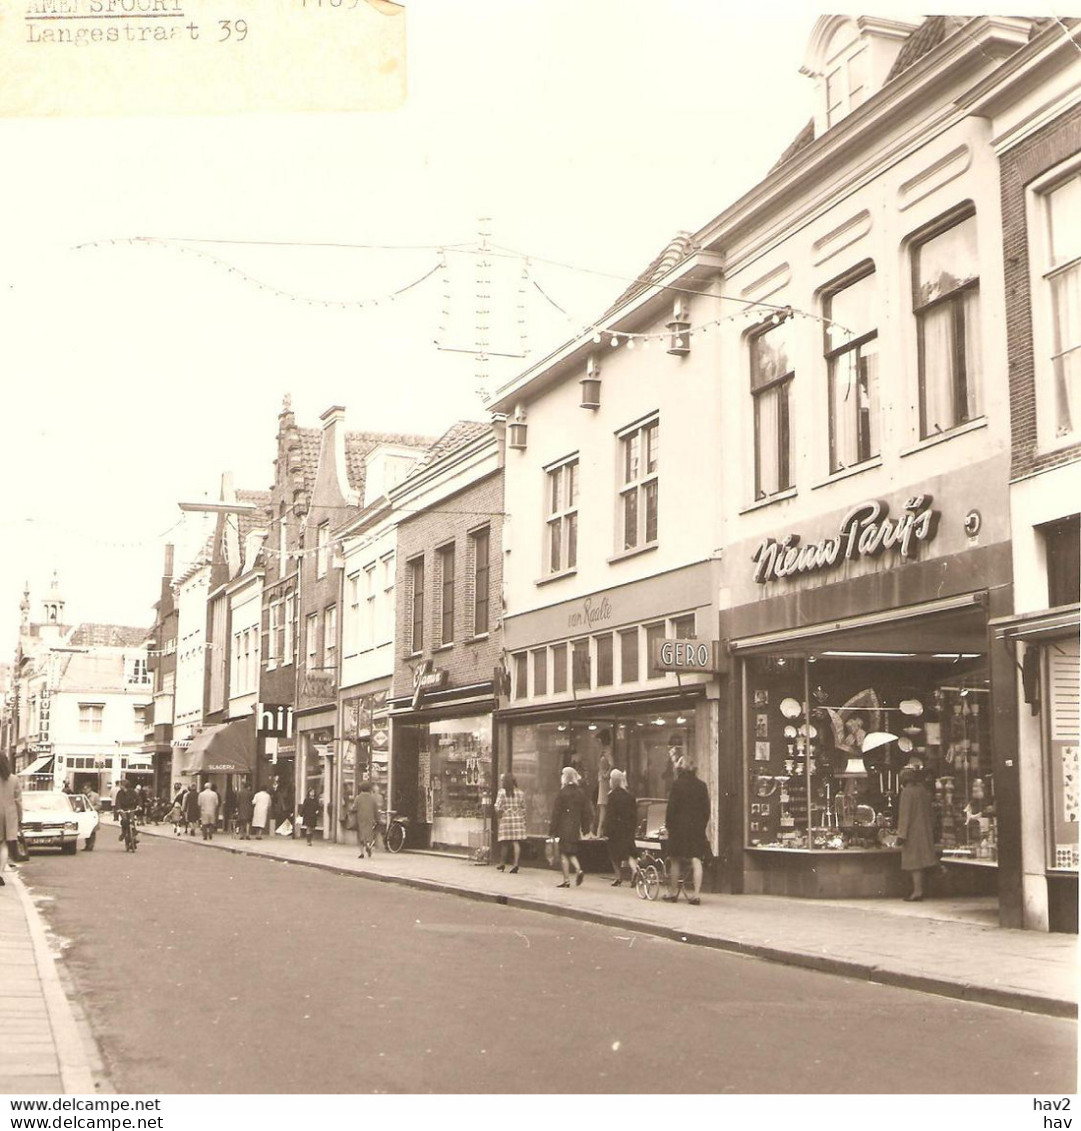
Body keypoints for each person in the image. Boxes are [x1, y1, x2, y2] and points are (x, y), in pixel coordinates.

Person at [663, 755, 710, 905]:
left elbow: (671, 809)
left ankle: (672, 893)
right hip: (696, 829)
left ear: (680, 768)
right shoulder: (702, 786)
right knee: (696, 859)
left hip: (678, 828)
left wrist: (669, 826)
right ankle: (696, 895)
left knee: (675, 859)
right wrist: (702, 826)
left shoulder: (677, 784)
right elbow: (706, 810)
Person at [897, 756, 937, 901]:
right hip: (924, 831)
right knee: (923, 861)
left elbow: (904, 815)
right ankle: (920, 889)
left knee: (914, 864)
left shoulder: (907, 792)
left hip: (913, 832)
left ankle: (917, 891)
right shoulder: (923, 791)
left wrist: (901, 834)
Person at [548, 766, 593, 888]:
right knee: (571, 852)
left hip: (563, 826)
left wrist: (552, 829)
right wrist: (585, 828)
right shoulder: (580, 792)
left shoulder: (562, 793)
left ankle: (566, 880)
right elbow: (586, 812)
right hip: (575, 827)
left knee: (563, 852)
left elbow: (556, 812)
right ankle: (578, 870)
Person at [602, 768, 640, 886]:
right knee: (629, 852)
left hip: (616, 828)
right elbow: (634, 814)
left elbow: (610, 814)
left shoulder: (612, 795)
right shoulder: (630, 795)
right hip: (628, 827)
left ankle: (618, 877)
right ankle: (635, 870)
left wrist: (606, 829)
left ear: (613, 781)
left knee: (614, 854)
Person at [493, 773, 526, 873]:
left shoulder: (502, 792)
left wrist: (500, 812)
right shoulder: (520, 793)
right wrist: (524, 820)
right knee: (516, 842)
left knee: (505, 843)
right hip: (518, 819)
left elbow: (497, 806)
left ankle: (502, 863)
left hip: (506, 819)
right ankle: (516, 864)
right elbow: (523, 808)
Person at [0, 753, 23, 885]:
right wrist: (20, 818)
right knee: (4, 845)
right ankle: (0, 874)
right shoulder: (14, 779)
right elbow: (18, 801)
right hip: (9, 816)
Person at [352, 781, 382, 858]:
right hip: (370, 818)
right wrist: (378, 819)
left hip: (360, 818)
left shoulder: (358, 798)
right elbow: (376, 810)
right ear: (369, 789)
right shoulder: (372, 798)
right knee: (369, 834)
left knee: (360, 835)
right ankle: (368, 845)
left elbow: (354, 808)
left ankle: (362, 853)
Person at [113, 778, 140, 847]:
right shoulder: (119, 793)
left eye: (121, 785)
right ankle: (124, 833)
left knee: (132, 820)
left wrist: (139, 806)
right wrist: (119, 809)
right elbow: (117, 801)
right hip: (123, 808)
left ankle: (134, 836)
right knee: (124, 820)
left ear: (124, 785)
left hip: (131, 808)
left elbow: (138, 799)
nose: (120, 786)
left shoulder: (132, 792)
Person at [594, 750, 612, 835]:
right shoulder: (602, 773)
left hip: (604, 795)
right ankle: (599, 833)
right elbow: (606, 776)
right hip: (604, 796)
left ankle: (600, 833)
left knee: (603, 816)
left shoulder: (601, 773)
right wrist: (611, 766)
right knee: (603, 816)